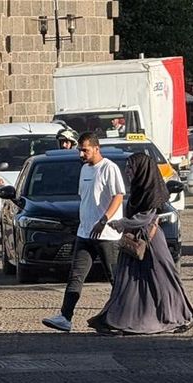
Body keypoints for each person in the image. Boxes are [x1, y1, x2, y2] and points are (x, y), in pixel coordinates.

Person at [86, 152, 193, 335]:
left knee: (164, 280)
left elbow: (145, 217)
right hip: (134, 241)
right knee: (128, 282)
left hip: (151, 242)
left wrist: (121, 223)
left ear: (142, 170)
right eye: (127, 167)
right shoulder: (138, 190)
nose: (127, 171)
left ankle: (183, 316)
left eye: (131, 168)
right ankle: (121, 318)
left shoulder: (151, 192)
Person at [43, 132, 125, 332]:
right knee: (76, 276)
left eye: (85, 150)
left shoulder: (109, 168)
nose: (81, 154)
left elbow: (118, 196)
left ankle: (125, 316)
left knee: (115, 277)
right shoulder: (84, 169)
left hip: (107, 235)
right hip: (85, 233)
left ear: (96, 148)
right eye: (80, 150)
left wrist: (104, 220)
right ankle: (65, 317)